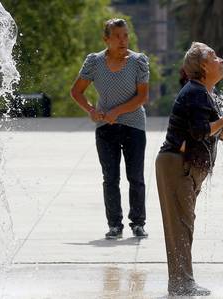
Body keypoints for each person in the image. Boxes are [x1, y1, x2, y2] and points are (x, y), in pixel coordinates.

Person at [155, 42, 223, 296]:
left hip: (184, 167)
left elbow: (211, 136)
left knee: (184, 226)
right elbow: (199, 132)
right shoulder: (195, 92)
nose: (221, 60)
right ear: (203, 65)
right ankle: (181, 284)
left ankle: (184, 282)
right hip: (176, 165)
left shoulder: (204, 92)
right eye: (214, 56)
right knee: (180, 227)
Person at [70, 19, 150, 239]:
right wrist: (90, 109)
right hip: (105, 127)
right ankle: (115, 224)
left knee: (135, 176)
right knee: (110, 177)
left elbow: (142, 96)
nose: (122, 40)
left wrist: (118, 111)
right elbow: (76, 92)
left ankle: (138, 223)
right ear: (106, 39)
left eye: (125, 35)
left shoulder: (138, 61)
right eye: (117, 36)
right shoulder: (94, 62)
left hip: (134, 125)